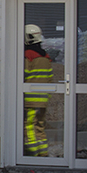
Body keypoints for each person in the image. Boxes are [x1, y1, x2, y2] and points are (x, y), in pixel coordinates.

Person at [24, 24, 53, 157]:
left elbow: (22, 75)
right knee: (40, 127)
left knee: (29, 126)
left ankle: (33, 154)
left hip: (30, 100)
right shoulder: (46, 57)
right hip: (43, 100)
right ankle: (43, 153)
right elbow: (50, 78)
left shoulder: (28, 55)